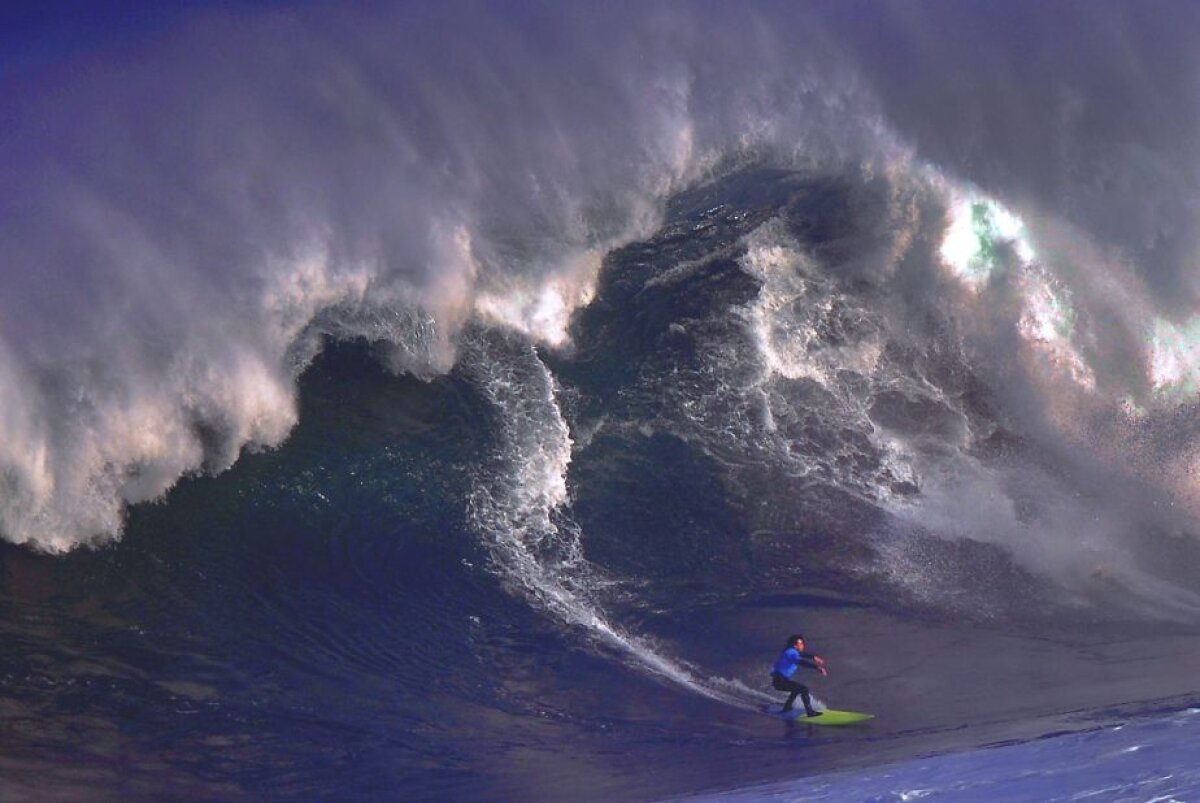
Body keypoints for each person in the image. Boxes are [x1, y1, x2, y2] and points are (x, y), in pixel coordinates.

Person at [770, 633, 827, 716]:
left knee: (796, 689)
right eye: (800, 644)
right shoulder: (790, 653)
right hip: (780, 681)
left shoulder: (791, 651)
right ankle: (810, 712)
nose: (803, 645)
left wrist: (814, 657)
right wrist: (817, 668)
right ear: (795, 645)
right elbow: (800, 662)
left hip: (780, 680)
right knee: (804, 689)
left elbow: (802, 654)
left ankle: (787, 707)